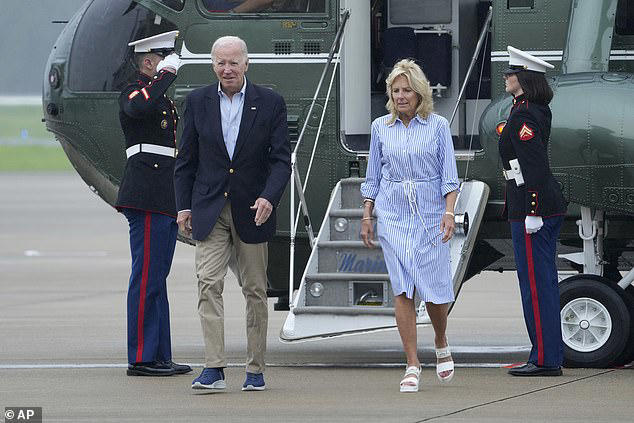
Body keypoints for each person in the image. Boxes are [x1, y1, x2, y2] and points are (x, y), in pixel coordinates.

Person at [174, 35, 291, 391]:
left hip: (253, 209)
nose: (227, 69)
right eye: (221, 63)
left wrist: (269, 197)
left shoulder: (270, 102)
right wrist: (182, 206)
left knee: (254, 290)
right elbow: (185, 160)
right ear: (213, 65)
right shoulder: (196, 102)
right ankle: (214, 368)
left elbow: (281, 159)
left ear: (246, 64)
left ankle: (255, 370)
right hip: (210, 208)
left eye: (233, 62)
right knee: (208, 283)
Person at [360, 59, 459, 393]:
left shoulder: (438, 125)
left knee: (433, 287)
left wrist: (449, 213)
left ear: (419, 94)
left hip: (431, 213)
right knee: (402, 287)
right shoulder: (380, 127)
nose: (401, 96)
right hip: (393, 213)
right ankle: (412, 363)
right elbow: (373, 175)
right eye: (395, 90)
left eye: (406, 90)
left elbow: (450, 177)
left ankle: (441, 339)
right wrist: (366, 215)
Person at [116, 31, 192, 376]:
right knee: (146, 276)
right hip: (146, 192)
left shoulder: (160, 96)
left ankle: (159, 354)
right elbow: (137, 106)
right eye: (163, 56)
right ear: (148, 61)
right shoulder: (135, 91)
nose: (169, 61)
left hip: (162, 194)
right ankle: (142, 357)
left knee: (157, 276)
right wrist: (166, 75)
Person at [500, 46, 567, 377]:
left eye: (510, 73)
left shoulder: (525, 114)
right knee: (541, 285)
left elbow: (534, 166)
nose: (506, 77)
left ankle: (544, 360)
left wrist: (533, 210)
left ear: (523, 79)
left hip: (532, 207)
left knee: (537, 288)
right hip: (534, 202)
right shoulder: (530, 109)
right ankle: (545, 353)